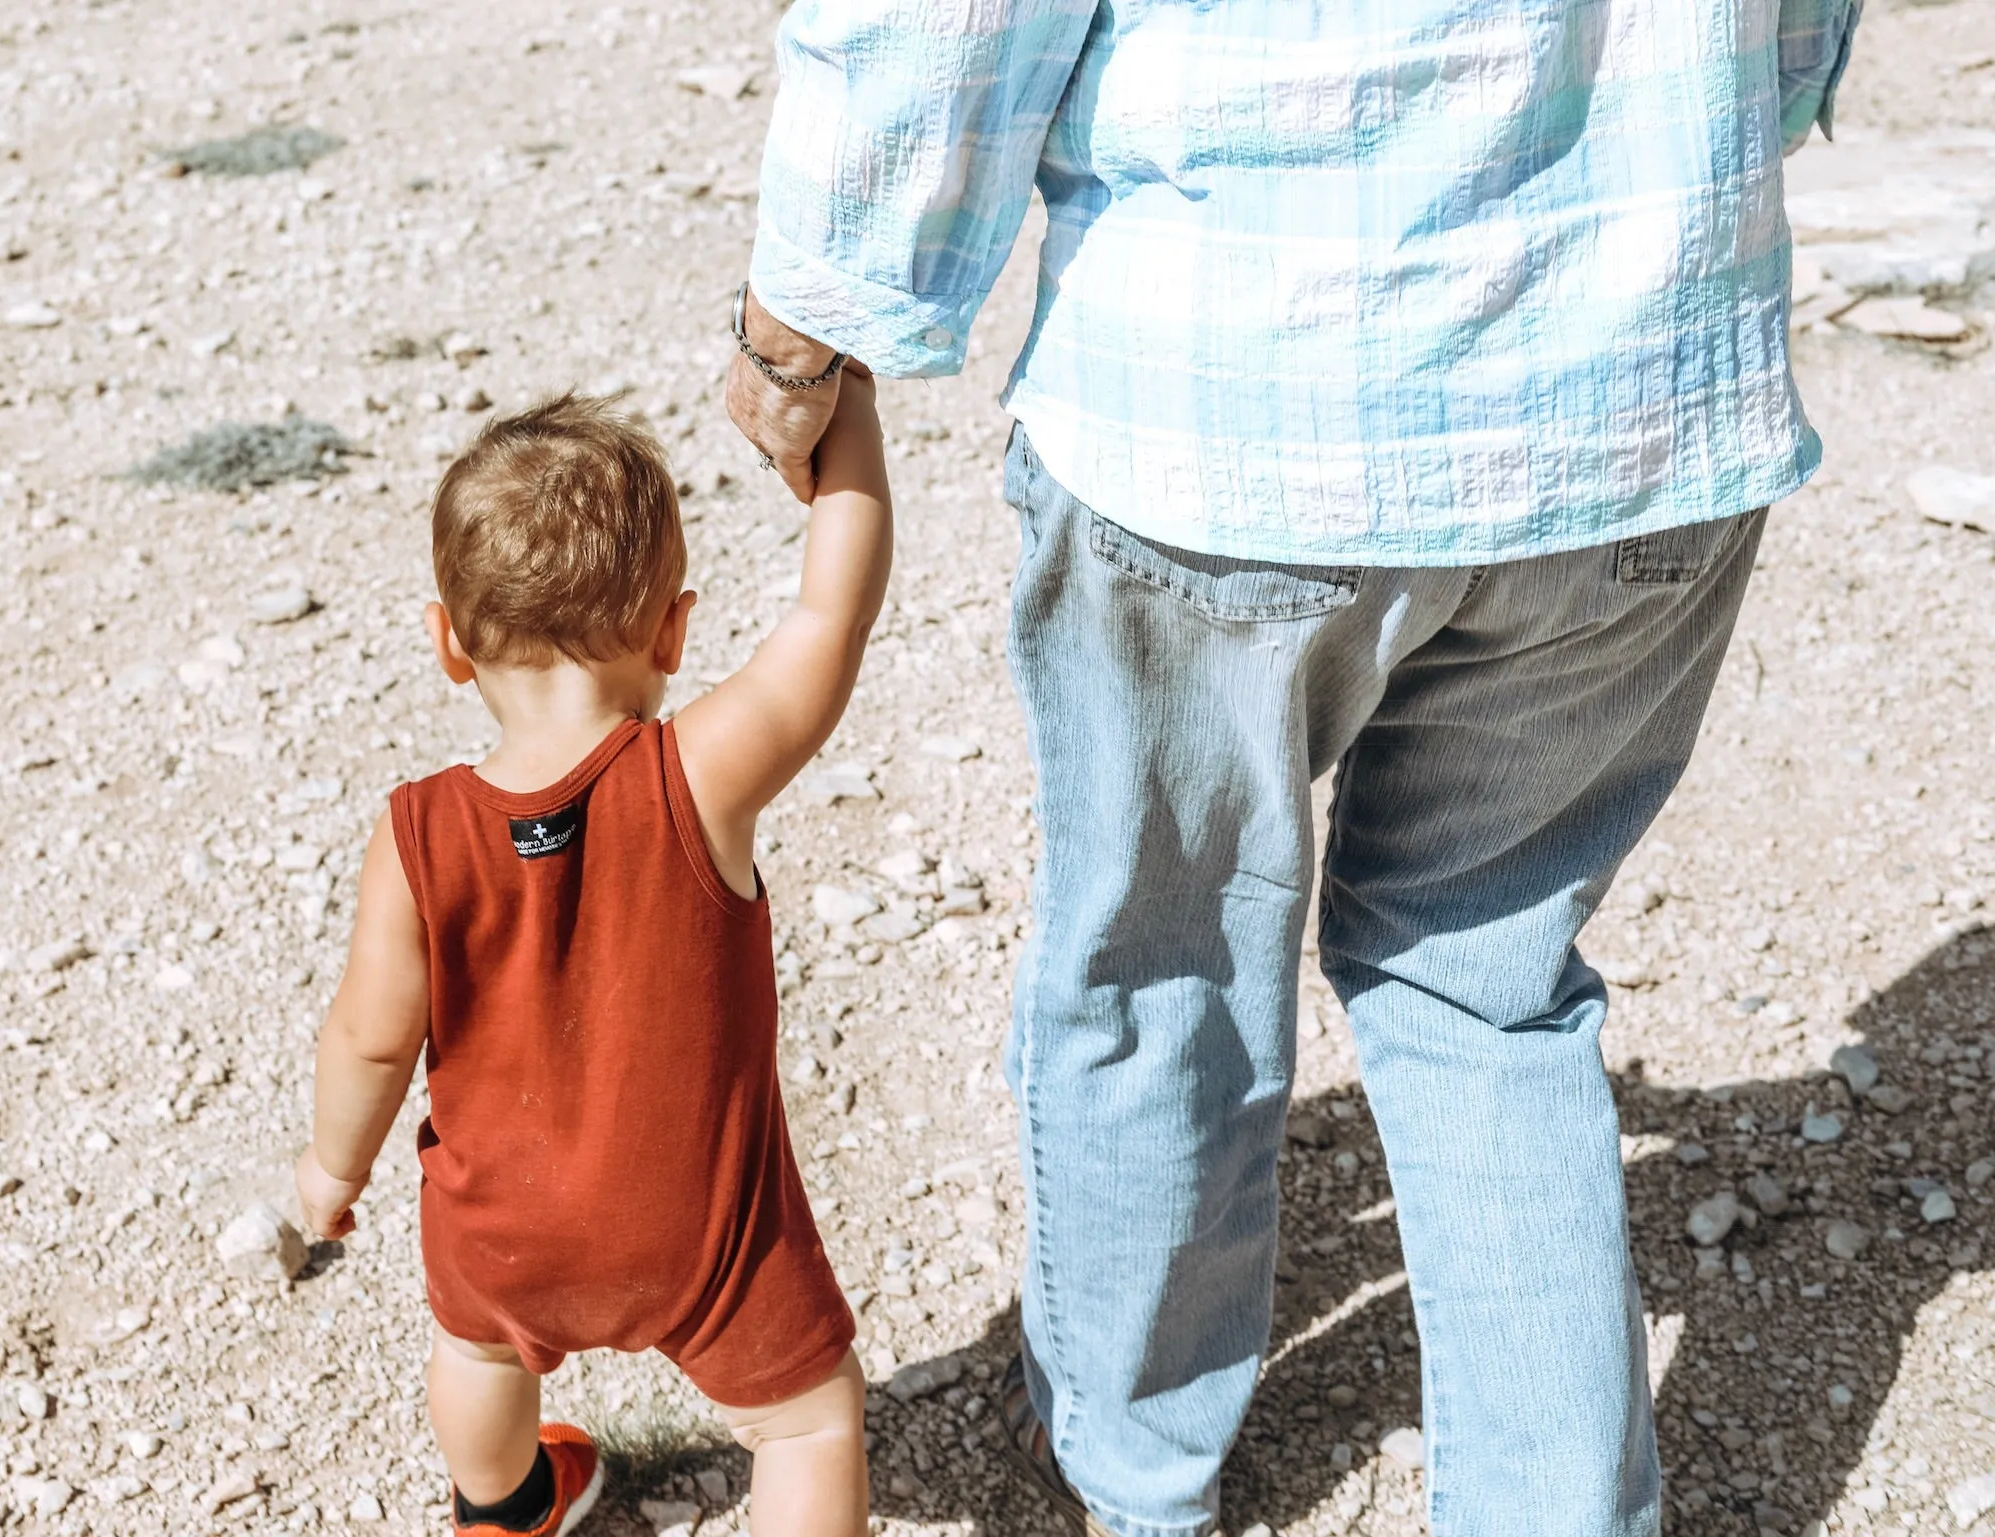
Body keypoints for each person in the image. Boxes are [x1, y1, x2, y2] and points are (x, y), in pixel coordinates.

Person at [724, 2, 1864, 1535]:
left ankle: (1137, 1482)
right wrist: (1732, 126)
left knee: (1162, 964)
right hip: (1640, 385)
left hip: (1234, 407)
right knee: (1488, 987)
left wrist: (808, 316)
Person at [293, 383, 892, 1537]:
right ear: (672, 631)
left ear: (447, 646)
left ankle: (505, 1504)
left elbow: (368, 1033)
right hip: (700, 1229)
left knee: (474, 1349)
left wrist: (332, 1169)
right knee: (808, 1421)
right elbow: (832, 617)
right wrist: (848, 411)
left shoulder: (418, 833)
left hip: (498, 1226)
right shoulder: (699, 776)